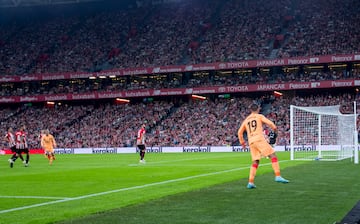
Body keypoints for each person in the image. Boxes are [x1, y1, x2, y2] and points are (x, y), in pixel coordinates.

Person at [238, 103, 289, 189]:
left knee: (255, 161)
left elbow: (239, 132)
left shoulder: (246, 120)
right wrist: (275, 129)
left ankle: (250, 182)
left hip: (251, 142)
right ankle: (278, 176)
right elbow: (270, 123)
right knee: (273, 155)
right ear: (258, 109)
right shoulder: (259, 116)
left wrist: (243, 143)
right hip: (259, 139)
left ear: (250, 110)